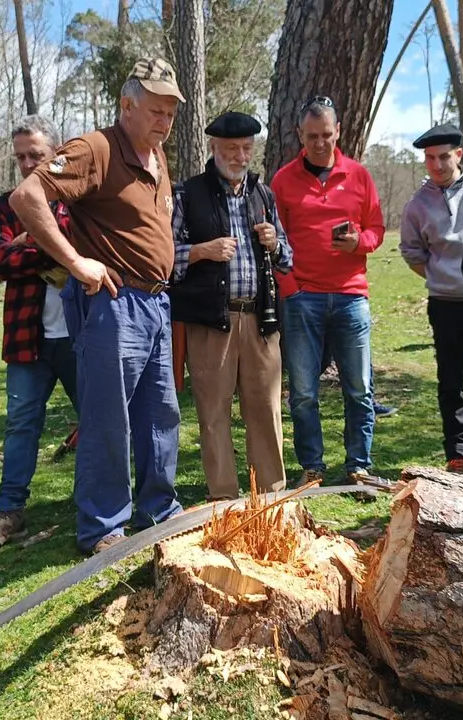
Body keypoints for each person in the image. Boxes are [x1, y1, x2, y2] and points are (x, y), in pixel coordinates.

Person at [10, 59, 185, 555]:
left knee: (160, 414)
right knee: (109, 417)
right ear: (127, 105)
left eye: (171, 113)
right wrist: (74, 260)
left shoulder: (157, 158)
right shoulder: (98, 148)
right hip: (113, 302)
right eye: (155, 110)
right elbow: (28, 197)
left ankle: (160, 511)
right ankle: (104, 527)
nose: (164, 122)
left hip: (154, 303)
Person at [170, 111, 293, 500]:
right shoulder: (188, 194)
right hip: (210, 323)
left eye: (245, 148)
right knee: (213, 412)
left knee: (266, 410)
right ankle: (223, 498)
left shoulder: (263, 195)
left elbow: (288, 258)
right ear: (213, 148)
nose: (239, 157)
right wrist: (202, 251)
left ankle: (270, 497)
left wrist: (275, 243)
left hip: (261, 321)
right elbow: (166, 261)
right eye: (230, 149)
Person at [272, 96, 393, 491]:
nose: (320, 143)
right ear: (299, 136)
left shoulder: (358, 175)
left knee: (358, 388)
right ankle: (312, 467)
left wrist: (359, 242)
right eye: (312, 136)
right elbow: (275, 240)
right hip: (302, 297)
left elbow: (376, 229)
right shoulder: (283, 180)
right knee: (304, 391)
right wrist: (289, 287)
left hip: (350, 297)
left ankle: (358, 465)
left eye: (326, 135)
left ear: (338, 131)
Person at [0, 115, 79, 548]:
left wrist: (27, 244)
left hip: (78, 335)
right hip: (26, 337)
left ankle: (94, 498)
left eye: (35, 154)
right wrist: (51, 252)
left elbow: (83, 245)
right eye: (20, 156)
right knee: (21, 425)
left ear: (55, 153)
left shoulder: (77, 201)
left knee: (98, 417)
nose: (26, 163)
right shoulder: (7, 204)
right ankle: (8, 512)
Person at [399, 122, 463, 474]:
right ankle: (458, 454)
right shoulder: (417, 205)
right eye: (430, 158)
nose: (437, 165)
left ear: (459, 155)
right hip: (445, 303)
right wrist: (440, 277)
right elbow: (412, 252)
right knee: (451, 381)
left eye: (444, 157)